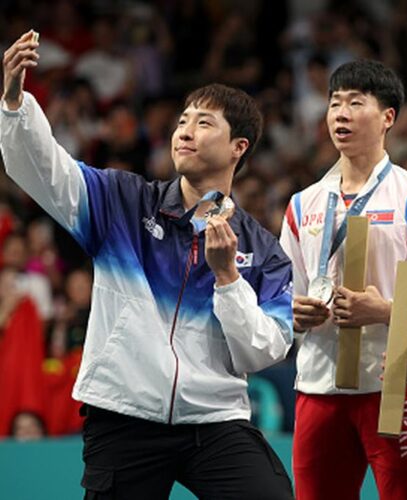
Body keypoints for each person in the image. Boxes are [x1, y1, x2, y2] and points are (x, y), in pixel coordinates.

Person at [2, 31, 294, 499]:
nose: (185, 130)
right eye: (182, 121)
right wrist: (16, 103)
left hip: (213, 421)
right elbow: (45, 170)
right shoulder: (122, 202)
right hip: (124, 414)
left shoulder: (263, 251)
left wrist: (228, 279)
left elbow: (263, 352)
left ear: (239, 147)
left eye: (204, 123)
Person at [279, 59, 407, 499]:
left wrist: (386, 311)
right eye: (335, 104)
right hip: (317, 384)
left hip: (392, 384)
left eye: (356, 102)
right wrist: (294, 313)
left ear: (388, 117)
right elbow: (282, 296)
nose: (341, 114)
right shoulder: (302, 204)